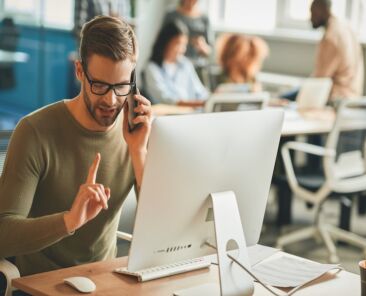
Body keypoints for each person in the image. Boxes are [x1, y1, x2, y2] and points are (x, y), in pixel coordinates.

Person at [0, 16, 152, 276]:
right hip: (41, 285)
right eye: (100, 85)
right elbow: (3, 234)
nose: (111, 99)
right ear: (80, 71)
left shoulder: (136, 131)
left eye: (121, 86)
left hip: (106, 281)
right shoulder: (35, 131)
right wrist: (69, 220)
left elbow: (160, 228)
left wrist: (139, 152)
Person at [144, 20, 209, 107]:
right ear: (165, 42)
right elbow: (165, 99)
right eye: (178, 44)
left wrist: (211, 99)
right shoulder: (152, 68)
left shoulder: (186, 64)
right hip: (168, 116)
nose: (182, 49)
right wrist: (198, 104)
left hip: (193, 114)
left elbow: (201, 93)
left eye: (184, 45)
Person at [310, 0, 364, 101]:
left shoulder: (331, 37)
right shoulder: (345, 27)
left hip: (339, 96)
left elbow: (320, 80)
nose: (310, 18)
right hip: (354, 93)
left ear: (323, 10)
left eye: (313, 12)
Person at [163, 0, 212, 66]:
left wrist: (202, 47)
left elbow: (209, 50)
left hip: (197, 65)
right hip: (174, 64)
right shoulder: (171, 15)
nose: (191, 2)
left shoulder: (204, 18)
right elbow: (162, 41)